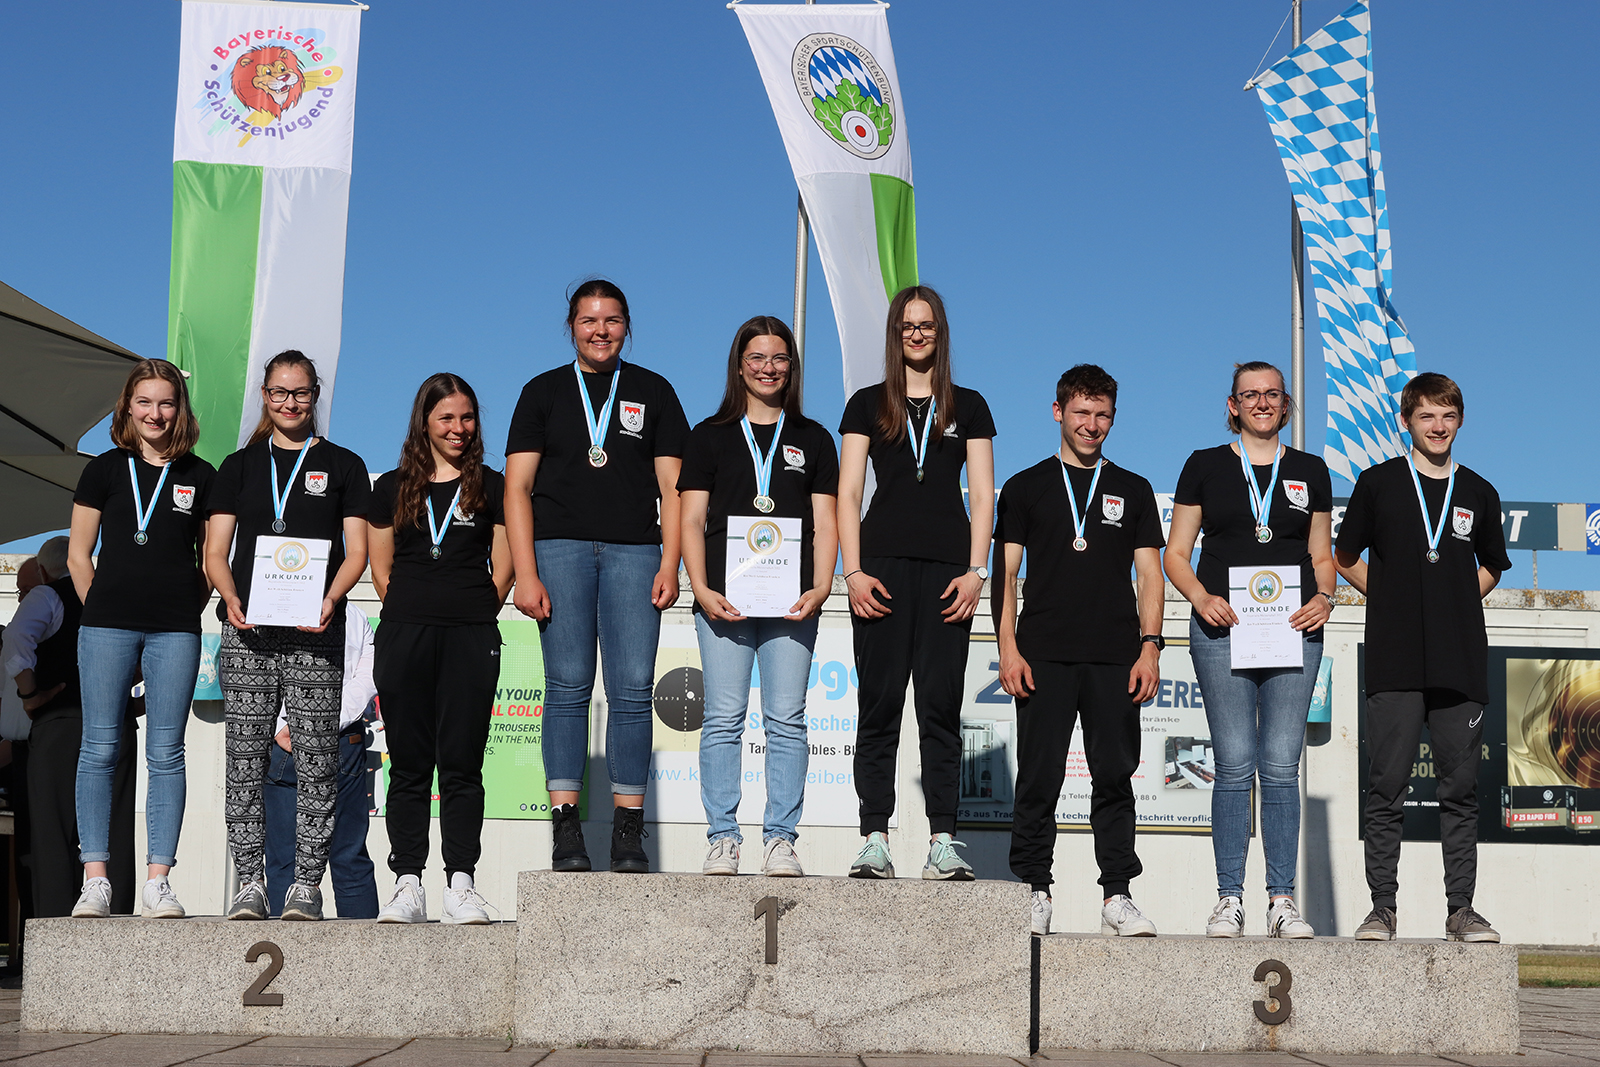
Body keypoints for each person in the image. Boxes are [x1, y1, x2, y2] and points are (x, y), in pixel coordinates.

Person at [504, 279, 689, 874]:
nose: (600, 330)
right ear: (571, 327)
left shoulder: (654, 390)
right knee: (567, 686)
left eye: (612, 320)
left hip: (636, 552)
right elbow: (517, 488)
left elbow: (674, 488)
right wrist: (525, 573)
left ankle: (628, 830)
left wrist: (670, 562)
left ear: (627, 326)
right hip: (558, 550)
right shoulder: (542, 391)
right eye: (588, 320)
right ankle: (566, 826)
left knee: (633, 688)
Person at [1335, 372, 1509, 943]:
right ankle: (1382, 908)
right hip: (1395, 660)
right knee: (1387, 787)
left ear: (1460, 422)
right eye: (1427, 415)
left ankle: (1461, 910)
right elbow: (1343, 557)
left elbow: (1491, 566)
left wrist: (1452, 602)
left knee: (1460, 792)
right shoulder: (1378, 483)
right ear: (1406, 421)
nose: (1438, 426)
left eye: (1448, 415)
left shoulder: (1479, 491)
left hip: (1460, 664)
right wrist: (1389, 598)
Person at [1164, 361, 1334, 939]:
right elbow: (1175, 554)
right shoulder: (1205, 464)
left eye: (1272, 394)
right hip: (1223, 628)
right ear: (1232, 405)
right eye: (1250, 394)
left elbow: (1321, 556)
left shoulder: (1310, 470)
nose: (1262, 403)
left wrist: (1326, 598)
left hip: (1294, 628)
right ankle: (1229, 898)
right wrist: (1200, 597)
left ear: (1286, 404)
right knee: (1235, 764)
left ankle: (1282, 900)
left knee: (1282, 767)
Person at [996, 365, 1165, 937]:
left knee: (1114, 777)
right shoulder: (1024, 487)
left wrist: (1150, 648)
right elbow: (1006, 575)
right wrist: (1008, 649)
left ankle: (1117, 894)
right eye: (1081, 413)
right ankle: (1034, 889)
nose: (1091, 425)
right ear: (1058, 412)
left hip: (1116, 656)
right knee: (1038, 777)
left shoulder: (1134, 488)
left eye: (1102, 415)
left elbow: (1150, 576)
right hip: (1041, 654)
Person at [205, 350, 371, 921]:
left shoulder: (344, 464)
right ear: (265, 395)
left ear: (315, 395)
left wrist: (331, 599)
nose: (290, 403)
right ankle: (250, 882)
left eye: (300, 392)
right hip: (248, 634)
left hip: (314, 632)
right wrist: (230, 596)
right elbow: (215, 551)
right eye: (279, 392)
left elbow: (357, 553)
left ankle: (306, 884)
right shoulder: (238, 466)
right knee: (245, 760)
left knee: (317, 760)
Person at [837, 285, 996, 880]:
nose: (917, 334)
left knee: (940, 708)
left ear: (941, 332)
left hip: (949, 577)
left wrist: (976, 572)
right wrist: (852, 572)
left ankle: (943, 841)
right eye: (907, 325)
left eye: (926, 325)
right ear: (894, 334)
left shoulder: (969, 406)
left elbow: (983, 496)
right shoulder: (867, 403)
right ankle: (874, 838)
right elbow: (849, 493)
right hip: (880, 571)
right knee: (878, 707)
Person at [678, 316, 839, 876]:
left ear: (791, 366)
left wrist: (822, 585)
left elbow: (825, 522)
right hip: (723, 600)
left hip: (793, 603)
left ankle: (780, 840)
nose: (768, 368)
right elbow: (690, 519)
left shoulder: (814, 438)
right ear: (739, 365)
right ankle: (723, 837)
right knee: (724, 718)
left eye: (779, 358)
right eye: (757, 357)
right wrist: (700, 587)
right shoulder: (709, 435)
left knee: (786, 719)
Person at [66, 359, 214, 920]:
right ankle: (96, 879)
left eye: (166, 402)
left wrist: (184, 609)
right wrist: (100, 610)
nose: (156, 413)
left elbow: (211, 559)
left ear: (180, 409)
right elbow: (78, 554)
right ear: (128, 407)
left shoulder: (201, 474)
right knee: (100, 749)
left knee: (167, 752)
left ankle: (158, 880)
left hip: (175, 629)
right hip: (107, 626)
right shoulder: (104, 469)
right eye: (145, 402)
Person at [370, 374, 512, 922]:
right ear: (424, 422)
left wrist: (470, 611)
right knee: (408, 764)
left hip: (470, 635)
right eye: (446, 417)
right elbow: (382, 571)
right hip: (406, 633)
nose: (458, 428)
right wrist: (417, 610)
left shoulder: (492, 486)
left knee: (462, 763)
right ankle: (408, 882)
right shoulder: (391, 486)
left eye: (467, 417)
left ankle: (461, 883)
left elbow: (504, 569)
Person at [4, 538, 137, 919]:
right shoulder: (116, 597)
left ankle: (56, 926)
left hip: (62, 722)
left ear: (44, 570)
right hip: (116, 722)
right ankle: (117, 926)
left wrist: (31, 694)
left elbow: (15, 638)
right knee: (115, 829)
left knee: (52, 831)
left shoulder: (48, 595)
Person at [263, 601, 379, 919]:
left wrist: (283, 723)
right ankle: (364, 950)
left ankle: (285, 948)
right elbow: (367, 678)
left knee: (284, 859)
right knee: (349, 857)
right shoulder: (353, 614)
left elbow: (253, 669)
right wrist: (324, 722)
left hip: (286, 739)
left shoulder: (270, 604)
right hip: (338, 738)